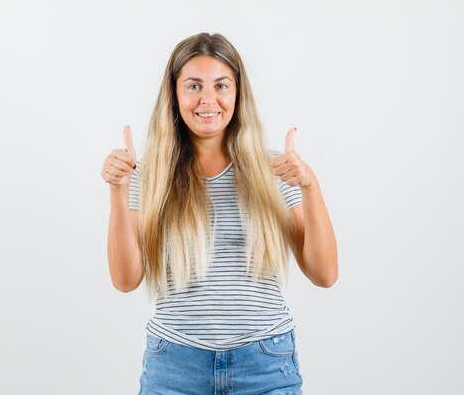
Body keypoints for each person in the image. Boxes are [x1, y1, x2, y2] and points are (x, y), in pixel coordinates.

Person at [101, 32, 337, 395]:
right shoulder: (147, 174)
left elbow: (324, 274)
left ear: (238, 94)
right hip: (174, 367)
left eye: (221, 86)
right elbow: (125, 280)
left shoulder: (276, 168)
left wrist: (310, 186)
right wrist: (118, 190)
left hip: (265, 364)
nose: (207, 99)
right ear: (175, 94)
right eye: (194, 85)